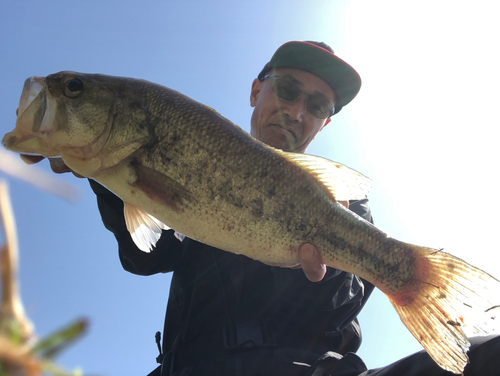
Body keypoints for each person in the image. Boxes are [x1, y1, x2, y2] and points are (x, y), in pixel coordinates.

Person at [27, 41, 500, 376]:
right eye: (288, 90)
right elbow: (146, 254)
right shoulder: (192, 158)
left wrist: (316, 269)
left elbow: (347, 300)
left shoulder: (345, 201)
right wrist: (109, 181)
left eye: (315, 104)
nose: (296, 111)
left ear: (324, 122)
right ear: (257, 91)